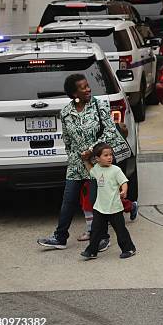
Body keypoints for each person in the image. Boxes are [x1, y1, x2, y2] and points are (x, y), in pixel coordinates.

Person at [37, 74, 129, 250]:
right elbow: (67, 140)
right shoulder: (65, 112)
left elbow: (110, 132)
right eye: (83, 87)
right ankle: (60, 237)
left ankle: (103, 237)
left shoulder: (98, 106)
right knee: (68, 200)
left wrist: (92, 150)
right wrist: (73, 157)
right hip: (76, 164)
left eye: (88, 86)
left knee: (97, 201)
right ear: (73, 93)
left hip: (96, 163)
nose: (88, 89)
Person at [80, 143, 136, 260]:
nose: (110, 157)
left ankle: (129, 249)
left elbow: (124, 182)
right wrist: (85, 160)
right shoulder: (97, 169)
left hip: (114, 207)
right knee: (95, 231)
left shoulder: (116, 170)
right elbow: (90, 169)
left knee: (120, 230)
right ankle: (92, 251)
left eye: (111, 155)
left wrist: (124, 191)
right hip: (100, 207)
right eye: (105, 155)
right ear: (97, 158)